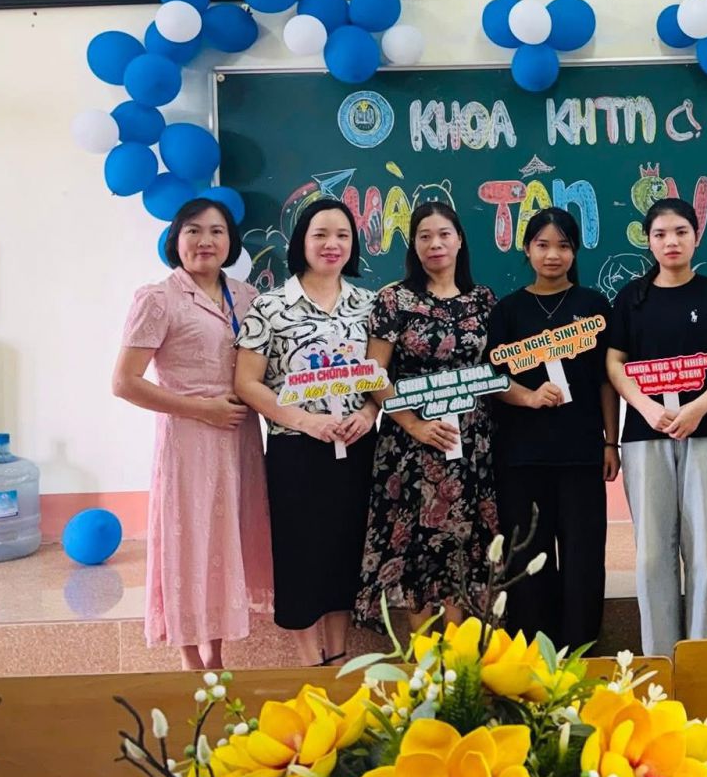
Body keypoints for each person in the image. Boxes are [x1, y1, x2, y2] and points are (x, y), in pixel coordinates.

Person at [112, 198, 272, 670]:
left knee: (224, 540)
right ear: (175, 239)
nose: (205, 241)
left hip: (240, 440)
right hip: (189, 441)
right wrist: (203, 410)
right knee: (190, 541)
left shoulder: (247, 297)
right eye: (193, 231)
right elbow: (124, 382)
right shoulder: (158, 298)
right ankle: (189, 658)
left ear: (230, 241)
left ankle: (216, 655)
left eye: (217, 231)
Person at [235, 198, 378, 666]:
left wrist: (369, 413)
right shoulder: (271, 306)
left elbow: (381, 377)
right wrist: (305, 421)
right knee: (300, 551)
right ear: (301, 242)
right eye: (320, 234)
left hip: (356, 447)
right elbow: (247, 383)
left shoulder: (369, 305)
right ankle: (307, 661)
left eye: (342, 235)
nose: (331, 244)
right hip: (296, 450)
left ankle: (338, 654)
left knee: (345, 549)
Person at [608, 199, 707, 655]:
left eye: (681, 232)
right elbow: (615, 363)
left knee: (703, 547)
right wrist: (646, 408)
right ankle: (660, 656)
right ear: (648, 241)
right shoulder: (631, 298)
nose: (671, 241)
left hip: (705, 431)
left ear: (696, 236)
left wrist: (699, 408)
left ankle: (701, 655)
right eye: (661, 234)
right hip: (645, 434)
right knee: (651, 551)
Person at [357, 202, 498, 632]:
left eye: (443, 234)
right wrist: (414, 425)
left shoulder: (483, 300)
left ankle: (456, 651)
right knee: (416, 546)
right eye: (424, 236)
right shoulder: (394, 300)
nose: (435, 244)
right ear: (414, 245)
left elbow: (495, 368)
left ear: (459, 241)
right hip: (411, 444)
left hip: (470, 441)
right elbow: (373, 373)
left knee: (461, 540)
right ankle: (421, 654)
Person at [485, 207, 619, 648]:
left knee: (584, 557)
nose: (552, 255)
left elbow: (606, 380)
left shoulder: (593, 306)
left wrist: (611, 442)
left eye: (563, 245)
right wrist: (527, 396)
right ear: (527, 249)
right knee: (528, 558)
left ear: (574, 251)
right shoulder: (507, 310)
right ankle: (533, 655)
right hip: (521, 457)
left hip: (581, 452)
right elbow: (491, 379)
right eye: (542, 245)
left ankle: (581, 650)